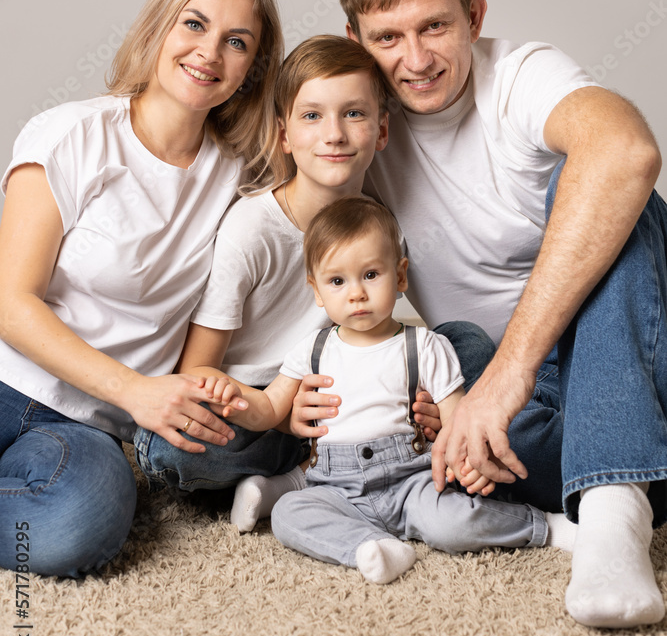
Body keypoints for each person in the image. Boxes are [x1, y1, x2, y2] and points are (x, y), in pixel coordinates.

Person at [331, 0, 667, 627]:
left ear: (474, 17)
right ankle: (625, 469)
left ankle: (610, 514)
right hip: (527, 401)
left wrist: (504, 380)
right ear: (355, 39)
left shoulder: (519, 74)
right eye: (387, 38)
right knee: (453, 358)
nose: (416, 59)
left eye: (435, 27)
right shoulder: (357, 123)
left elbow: (627, 150)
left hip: (632, 352)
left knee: (607, 188)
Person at [0, 0, 283, 578]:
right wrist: (136, 392)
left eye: (236, 42)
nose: (209, 51)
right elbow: (11, 305)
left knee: (81, 527)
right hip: (7, 379)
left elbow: (328, 186)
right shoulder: (74, 134)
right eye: (194, 24)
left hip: (85, 428)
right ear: (158, 27)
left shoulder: (242, 177)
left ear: (252, 68)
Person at [153, 35, 492, 528]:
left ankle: (363, 458)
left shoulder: (384, 219)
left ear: (381, 130)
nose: (333, 134)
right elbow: (197, 371)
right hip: (262, 407)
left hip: (358, 390)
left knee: (469, 345)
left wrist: (436, 402)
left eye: (353, 114)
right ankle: (307, 468)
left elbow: (388, 338)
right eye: (312, 116)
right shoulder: (252, 229)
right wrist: (279, 412)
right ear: (285, 134)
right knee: (171, 451)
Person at [207, 197, 574, 583]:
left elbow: (456, 421)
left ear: (400, 277)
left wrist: (465, 463)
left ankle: (546, 526)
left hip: (412, 480)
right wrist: (235, 398)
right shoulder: (312, 349)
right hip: (335, 487)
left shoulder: (426, 346)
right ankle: (369, 547)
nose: (356, 293)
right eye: (337, 281)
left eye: (370, 275)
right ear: (317, 291)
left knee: (452, 526)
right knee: (288, 514)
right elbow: (268, 407)